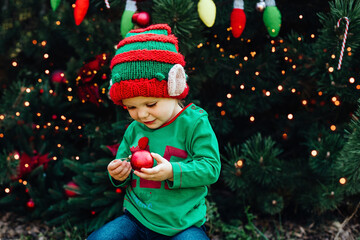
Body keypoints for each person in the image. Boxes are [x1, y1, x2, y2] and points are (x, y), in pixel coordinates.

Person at [88, 24, 221, 240]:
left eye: (151, 104)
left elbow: (211, 168)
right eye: (131, 107)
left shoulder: (194, 123)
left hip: (182, 225)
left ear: (174, 88)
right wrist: (118, 173)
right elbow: (124, 165)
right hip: (136, 218)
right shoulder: (135, 129)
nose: (142, 115)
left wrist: (172, 172)